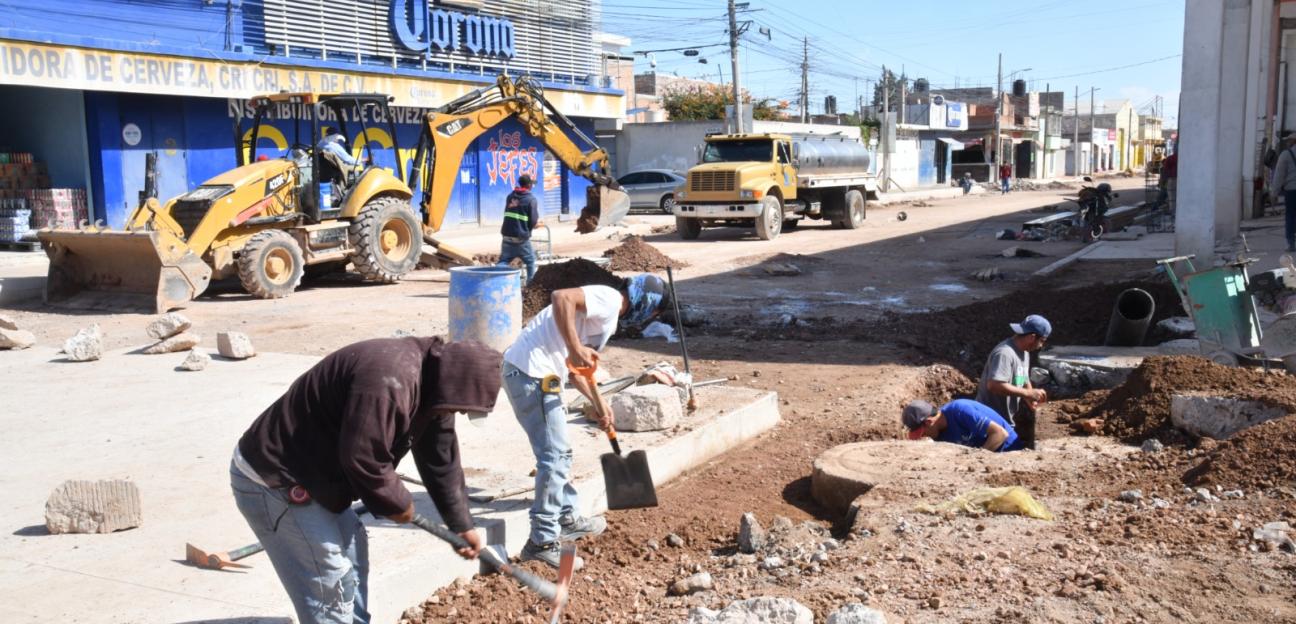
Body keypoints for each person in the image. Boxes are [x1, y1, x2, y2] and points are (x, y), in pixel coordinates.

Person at [231, 337, 502, 624]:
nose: (458, 413)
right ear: (453, 381)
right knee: (330, 586)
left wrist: (461, 523)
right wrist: (398, 502)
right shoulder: (389, 381)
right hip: (276, 479)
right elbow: (363, 457)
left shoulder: (436, 387)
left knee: (354, 558)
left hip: (317, 476)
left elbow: (441, 457)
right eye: (460, 406)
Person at [501, 274, 670, 569]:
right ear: (647, 303)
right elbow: (560, 297)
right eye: (654, 312)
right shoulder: (608, 299)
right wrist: (577, 348)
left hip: (540, 374)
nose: (650, 318)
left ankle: (567, 518)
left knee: (559, 451)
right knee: (554, 456)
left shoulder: (606, 318)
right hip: (531, 372)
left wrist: (600, 404)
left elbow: (578, 370)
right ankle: (541, 541)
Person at [975, 314, 1050, 450]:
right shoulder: (1005, 353)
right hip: (989, 422)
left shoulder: (1024, 352)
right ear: (1032, 337)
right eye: (1042, 341)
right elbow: (994, 385)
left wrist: (1028, 395)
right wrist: (1027, 392)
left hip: (1005, 420)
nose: (1041, 345)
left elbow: (1023, 375)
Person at [901, 398, 1025, 452]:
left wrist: (977, 460)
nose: (924, 437)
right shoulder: (938, 433)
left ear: (929, 422)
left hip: (1009, 451)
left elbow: (1000, 434)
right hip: (990, 456)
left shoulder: (960, 411)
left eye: (923, 433)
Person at [499, 174, 542, 284]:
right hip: (521, 238)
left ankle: (497, 281)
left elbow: (507, 213)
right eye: (531, 184)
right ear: (529, 185)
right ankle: (530, 286)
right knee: (530, 261)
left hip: (507, 235)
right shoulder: (531, 199)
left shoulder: (510, 196)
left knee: (504, 261)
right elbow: (533, 220)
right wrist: (532, 226)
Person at [1271, 132, 1296, 252]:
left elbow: (1279, 176)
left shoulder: (1286, 155)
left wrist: (1274, 193)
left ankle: (1291, 243)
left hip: (1292, 191)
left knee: (1291, 217)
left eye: (1289, 140)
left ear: (1293, 141)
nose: (1287, 142)